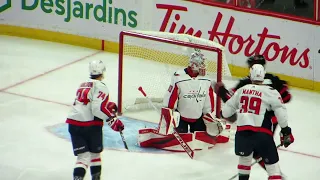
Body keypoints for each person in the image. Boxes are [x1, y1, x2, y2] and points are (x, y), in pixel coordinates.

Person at [214, 54, 291, 169]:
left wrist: (222, 92)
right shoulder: (274, 79)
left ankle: (272, 172)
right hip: (272, 120)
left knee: (255, 148)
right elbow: (286, 98)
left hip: (254, 120)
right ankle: (274, 172)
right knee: (264, 146)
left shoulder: (246, 82)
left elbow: (232, 101)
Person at [65, 60, 124, 180]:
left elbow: (89, 103)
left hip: (73, 123)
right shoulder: (101, 86)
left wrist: (107, 106)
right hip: (89, 125)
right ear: (102, 72)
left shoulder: (83, 84)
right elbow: (97, 109)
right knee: (94, 154)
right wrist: (112, 119)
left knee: (83, 157)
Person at [162, 51, 223, 137]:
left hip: (198, 117)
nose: (204, 66)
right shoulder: (179, 77)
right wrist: (170, 113)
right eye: (201, 64)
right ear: (193, 65)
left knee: (201, 141)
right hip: (180, 118)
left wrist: (208, 114)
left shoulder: (206, 79)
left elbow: (208, 98)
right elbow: (171, 97)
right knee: (179, 137)